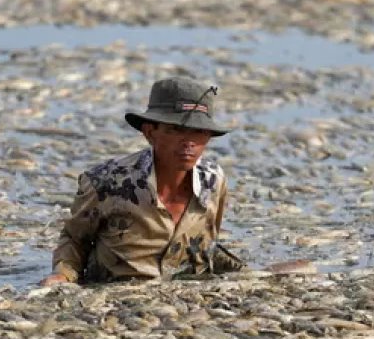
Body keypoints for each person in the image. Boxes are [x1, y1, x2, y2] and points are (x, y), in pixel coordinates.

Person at [40, 76, 244, 286]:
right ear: (149, 132)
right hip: (117, 295)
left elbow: (209, 243)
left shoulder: (213, 180)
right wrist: (63, 276)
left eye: (199, 132)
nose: (189, 143)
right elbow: (74, 239)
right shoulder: (108, 182)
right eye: (176, 130)